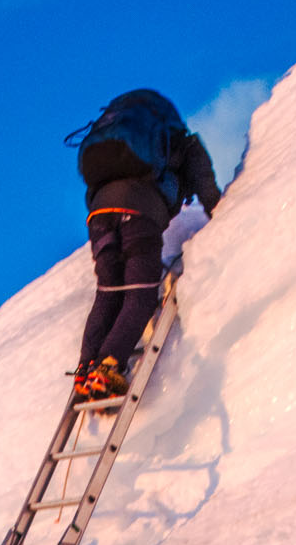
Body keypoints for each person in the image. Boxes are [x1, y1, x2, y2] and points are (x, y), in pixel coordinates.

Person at [65, 91, 228, 406]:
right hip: (140, 213)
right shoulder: (179, 141)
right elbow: (202, 177)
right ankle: (108, 366)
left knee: (108, 293)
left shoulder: (117, 145)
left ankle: (86, 368)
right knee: (140, 294)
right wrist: (218, 211)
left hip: (99, 216)